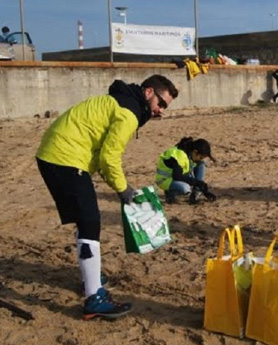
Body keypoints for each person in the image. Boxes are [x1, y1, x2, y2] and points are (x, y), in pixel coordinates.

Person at [36, 74, 178, 320]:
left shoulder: (122, 102)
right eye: (161, 103)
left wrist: (120, 186)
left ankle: (89, 279)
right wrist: (124, 190)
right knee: (90, 222)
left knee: (86, 220)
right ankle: (94, 297)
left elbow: (103, 155)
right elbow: (109, 158)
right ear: (148, 93)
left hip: (57, 153)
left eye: (165, 107)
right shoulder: (129, 113)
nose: (160, 111)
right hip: (64, 157)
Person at [155, 137, 217, 204]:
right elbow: (177, 176)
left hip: (177, 176)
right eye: (200, 157)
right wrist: (197, 182)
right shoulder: (179, 156)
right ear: (195, 152)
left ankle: (197, 192)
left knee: (200, 164)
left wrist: (204, 190)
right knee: (185, 188)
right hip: (166, 180)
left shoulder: (188, 152)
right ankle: (171, 194)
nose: (200, 159)